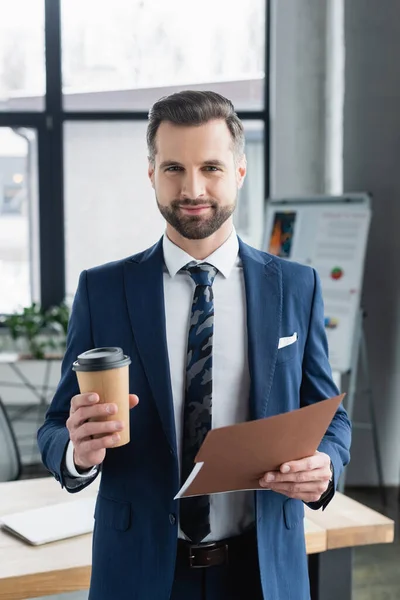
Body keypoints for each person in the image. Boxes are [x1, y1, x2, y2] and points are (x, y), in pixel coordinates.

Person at [37, 90, 351, 600]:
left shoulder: (296, 285)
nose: (193, 187)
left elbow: (329, 414)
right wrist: (76, 451)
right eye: (174, 168)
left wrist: (327, 466)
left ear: (240, 171)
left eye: (211, 167)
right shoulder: (103, 290)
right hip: (140, 572)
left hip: (263, 570)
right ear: (151, 173)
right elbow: (54, 425)